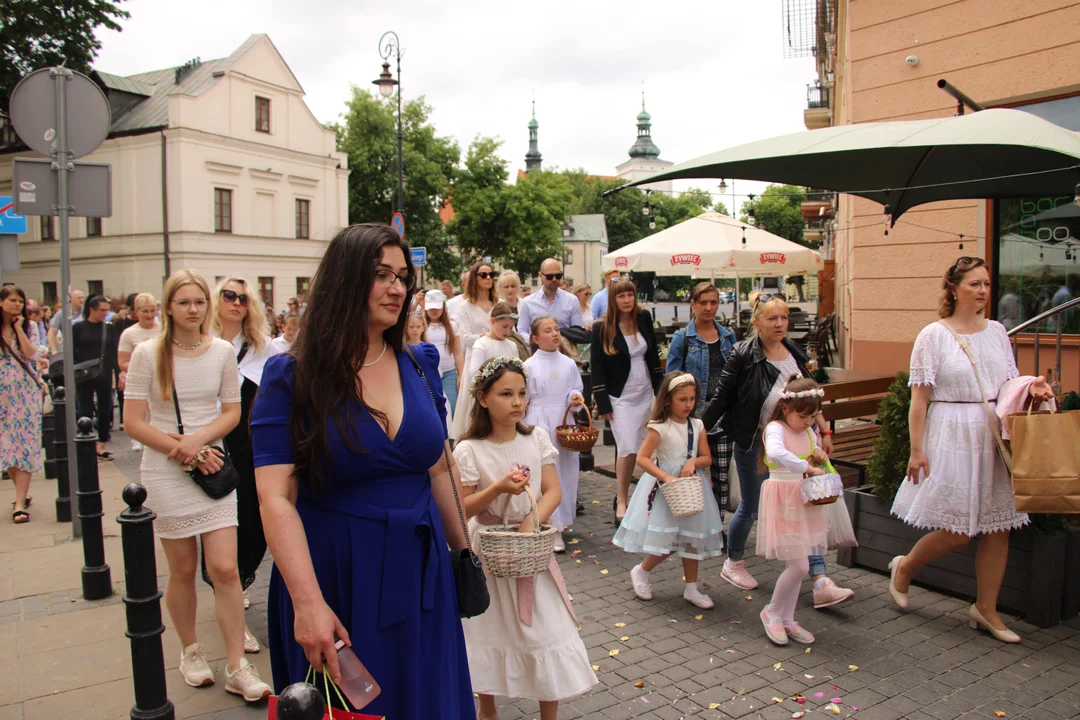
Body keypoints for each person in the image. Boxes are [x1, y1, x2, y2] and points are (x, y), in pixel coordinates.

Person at [250, 224, 474, 717]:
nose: (397, 287)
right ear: (345, 280)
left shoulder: (419, 363)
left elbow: (439, 469)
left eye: (402, 277)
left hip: (422, 573)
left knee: (428, 699)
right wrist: (307, 602)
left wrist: (464, 557)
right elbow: (275, 498)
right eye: (381, 275)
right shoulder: (292, 376)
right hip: (336, 574)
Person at [123, 269, 271, 701]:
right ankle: (190, 650)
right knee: (183, 569)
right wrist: (182, 448)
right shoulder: (149, 354)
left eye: (199, 302)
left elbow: (230, 413)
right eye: (185, 302)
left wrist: (200, 443)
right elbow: (132, 421)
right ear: (169, 306)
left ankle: (237, 666)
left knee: (224, 568)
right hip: (166, 470)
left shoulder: (223, 351)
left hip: (213, 464)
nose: (194, 309)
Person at [889, 257, 1054, 643]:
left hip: (994, 433)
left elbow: (1010, 384)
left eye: (986, 284)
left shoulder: (997, 330)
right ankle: (905, 568)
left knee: (999, 528)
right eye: (974, 284)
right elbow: (919, 399)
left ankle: (986, 609)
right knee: (958, 529)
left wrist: (1033, 388)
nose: (982, 291)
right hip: (951, 433)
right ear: (954, 288)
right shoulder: (933, 335)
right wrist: (916, 449)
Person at [453, 356, 596, 720]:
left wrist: (531, 522)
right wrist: (498, 488)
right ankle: (487, 709)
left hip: (530, 549)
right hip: (489, 551)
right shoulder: (470, 449)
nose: (517, 402)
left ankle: (549, 711)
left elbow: (552, 490)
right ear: (483, 399)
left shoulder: (537, 438)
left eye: (521, 393)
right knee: (489, 629)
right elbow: (462, 507)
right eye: (505, 394)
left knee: (543, 629)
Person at [702, 294, 854, 608]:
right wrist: (695, 432)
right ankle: (733, 562)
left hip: (799, 440)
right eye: (772, 318)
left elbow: (809, 396)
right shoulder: (743, 354)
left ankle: (820, 579)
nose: (780, 324)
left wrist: (823, 430)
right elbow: (721, 398)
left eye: (783, 317)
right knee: (752, 507)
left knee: (807, 505)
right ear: (756, 323)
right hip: (756, 442)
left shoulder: (793, 350)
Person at [210, 276, 281, 653]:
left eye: (243, 297)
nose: (236, 302)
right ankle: (231, 601)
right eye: (228, 295)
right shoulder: (202, 343)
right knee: (220, 528)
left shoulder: (261, 349)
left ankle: (236, 584)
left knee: (254, 526)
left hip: (250, 447)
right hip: (210, 448)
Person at [757, 376, 855, 646]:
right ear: (786, 408)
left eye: (813, 417)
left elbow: (813, 453)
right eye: (803, 416)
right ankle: (773, 611)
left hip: (805, 501)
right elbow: (776, 453)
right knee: (800, 565)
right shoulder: (776, 428)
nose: (808, 422)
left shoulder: (809, 431)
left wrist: (819, 457)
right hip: (784, 500)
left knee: (799, 562)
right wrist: (806, 467)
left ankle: (787, 618)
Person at [614, 372, 726, 609]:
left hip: (691, 489)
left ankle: (692, 588)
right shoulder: (659, 427)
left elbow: (706, 457)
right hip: (666, 490)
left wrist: (693, 462)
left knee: (691, 539)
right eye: (682, 399)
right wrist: (665, 477)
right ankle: (642, 571)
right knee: (667, 539)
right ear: (667, 400)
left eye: (692, 399)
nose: (688, 404)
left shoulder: (697, 425)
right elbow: (643, 459)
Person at [666, 282, 737, 535]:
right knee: (688, 472)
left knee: (720, 475)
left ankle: (717, 529)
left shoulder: (728, 336)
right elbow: (671, 379)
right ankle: (689, 525)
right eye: (703, 302)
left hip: (723, 416)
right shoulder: (682, 338)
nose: (709, 308)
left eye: (714, 302)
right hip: (693, 415)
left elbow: (736, 375)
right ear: (693, 304)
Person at [591, 279, 662, 525]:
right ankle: (622, 498)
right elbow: (597, 367)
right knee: (627, 447)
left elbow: (653, 355)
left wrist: (661, 393)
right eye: (621, 296)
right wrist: (603, 402)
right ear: (613, 300)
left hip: (644, 390)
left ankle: (646, 497)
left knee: (647, 447)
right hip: (619, 395)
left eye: (630, 294)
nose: (627, 300)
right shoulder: (602, 327)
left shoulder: (643, 318)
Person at [524, 317, 586, 552]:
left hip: (563, 422)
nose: (554, 334)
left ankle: (561, 524)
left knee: (565, 471)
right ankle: (548, 523)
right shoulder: (529, 365)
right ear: (536, 339)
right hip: (539, 421)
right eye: (547, 331)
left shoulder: (568, 363)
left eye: (557, 329)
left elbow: (575, 389)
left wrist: (575, 398)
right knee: (544, 473)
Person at [452, 301, 524, 439]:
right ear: (492, 321)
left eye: (511, 327)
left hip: (508, 399)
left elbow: (517, 370)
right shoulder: (482, 344)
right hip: (488, 399)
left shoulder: (512, 346)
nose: (508, 331)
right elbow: (475, 373)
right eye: (504, 326)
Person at [1, 286, 42, 524]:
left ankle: (19, 504)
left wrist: (18, 328)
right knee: (6, 449)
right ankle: (22, 494)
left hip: (24, 394)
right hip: (2, 394)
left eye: (20, 301)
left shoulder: (29, 327)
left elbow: (30, 354)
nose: (17, 304)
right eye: (12, 300)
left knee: (24, 446)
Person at [71, 295, 120, 460]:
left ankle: (101, 443)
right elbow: (72, 352)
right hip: (83, 373)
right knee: (84, 408)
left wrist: (119, 372)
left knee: (105, 407)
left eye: (107, 310)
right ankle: (88, 441)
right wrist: (72, 376)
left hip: (104, 372)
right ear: (92, 310)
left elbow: (114, 353)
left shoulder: (109, 328)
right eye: (102, 310)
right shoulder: (78, 327)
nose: (106, 313)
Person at [118, 293, 162, 451]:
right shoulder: (129, 334)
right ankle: (141, 438)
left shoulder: (164, 329)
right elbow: (122, 361)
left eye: (152, 311)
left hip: (163, 376)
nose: (150, 315)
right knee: (142, 411)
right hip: (140, 379)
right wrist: (142, 369)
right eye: (145, 311)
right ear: (136, 312)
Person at [423, 290, 463, 420]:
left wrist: (461, 374)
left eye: (437, 307)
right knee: (430, 407)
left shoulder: (452, 326)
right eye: (431, 308)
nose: (434, 311)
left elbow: (457, 352)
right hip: (428, 373)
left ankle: (449, 438)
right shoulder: (421, 325)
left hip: (448, 372)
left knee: (450, 405)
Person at [516, 258, 583, 336]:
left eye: (558, 276)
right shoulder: (528, 302)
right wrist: (538, 342)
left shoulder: (572, 300)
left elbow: (578, 332)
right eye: (549, 276)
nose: (554, 279)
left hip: (564, 347)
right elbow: (522, 331)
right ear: (540, 275)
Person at [452, 262, 499, 353]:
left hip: (499, 355)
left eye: (491, 274)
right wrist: (491, 335)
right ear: (474, 279)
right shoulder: (465, 306)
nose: (488, 278)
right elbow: (466, 339)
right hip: (476, 356)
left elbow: (510, 333)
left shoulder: (501, 304)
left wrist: (485, 335)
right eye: (483, 275)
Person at [47, 289, 85, 354]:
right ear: (71, 299)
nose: (81, 300)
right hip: (66, 351)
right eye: (78, 298)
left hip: (83, 350)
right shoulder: (62, 314)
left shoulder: (86, 313)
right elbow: (52, 332)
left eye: (82, 298)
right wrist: (54, 351)